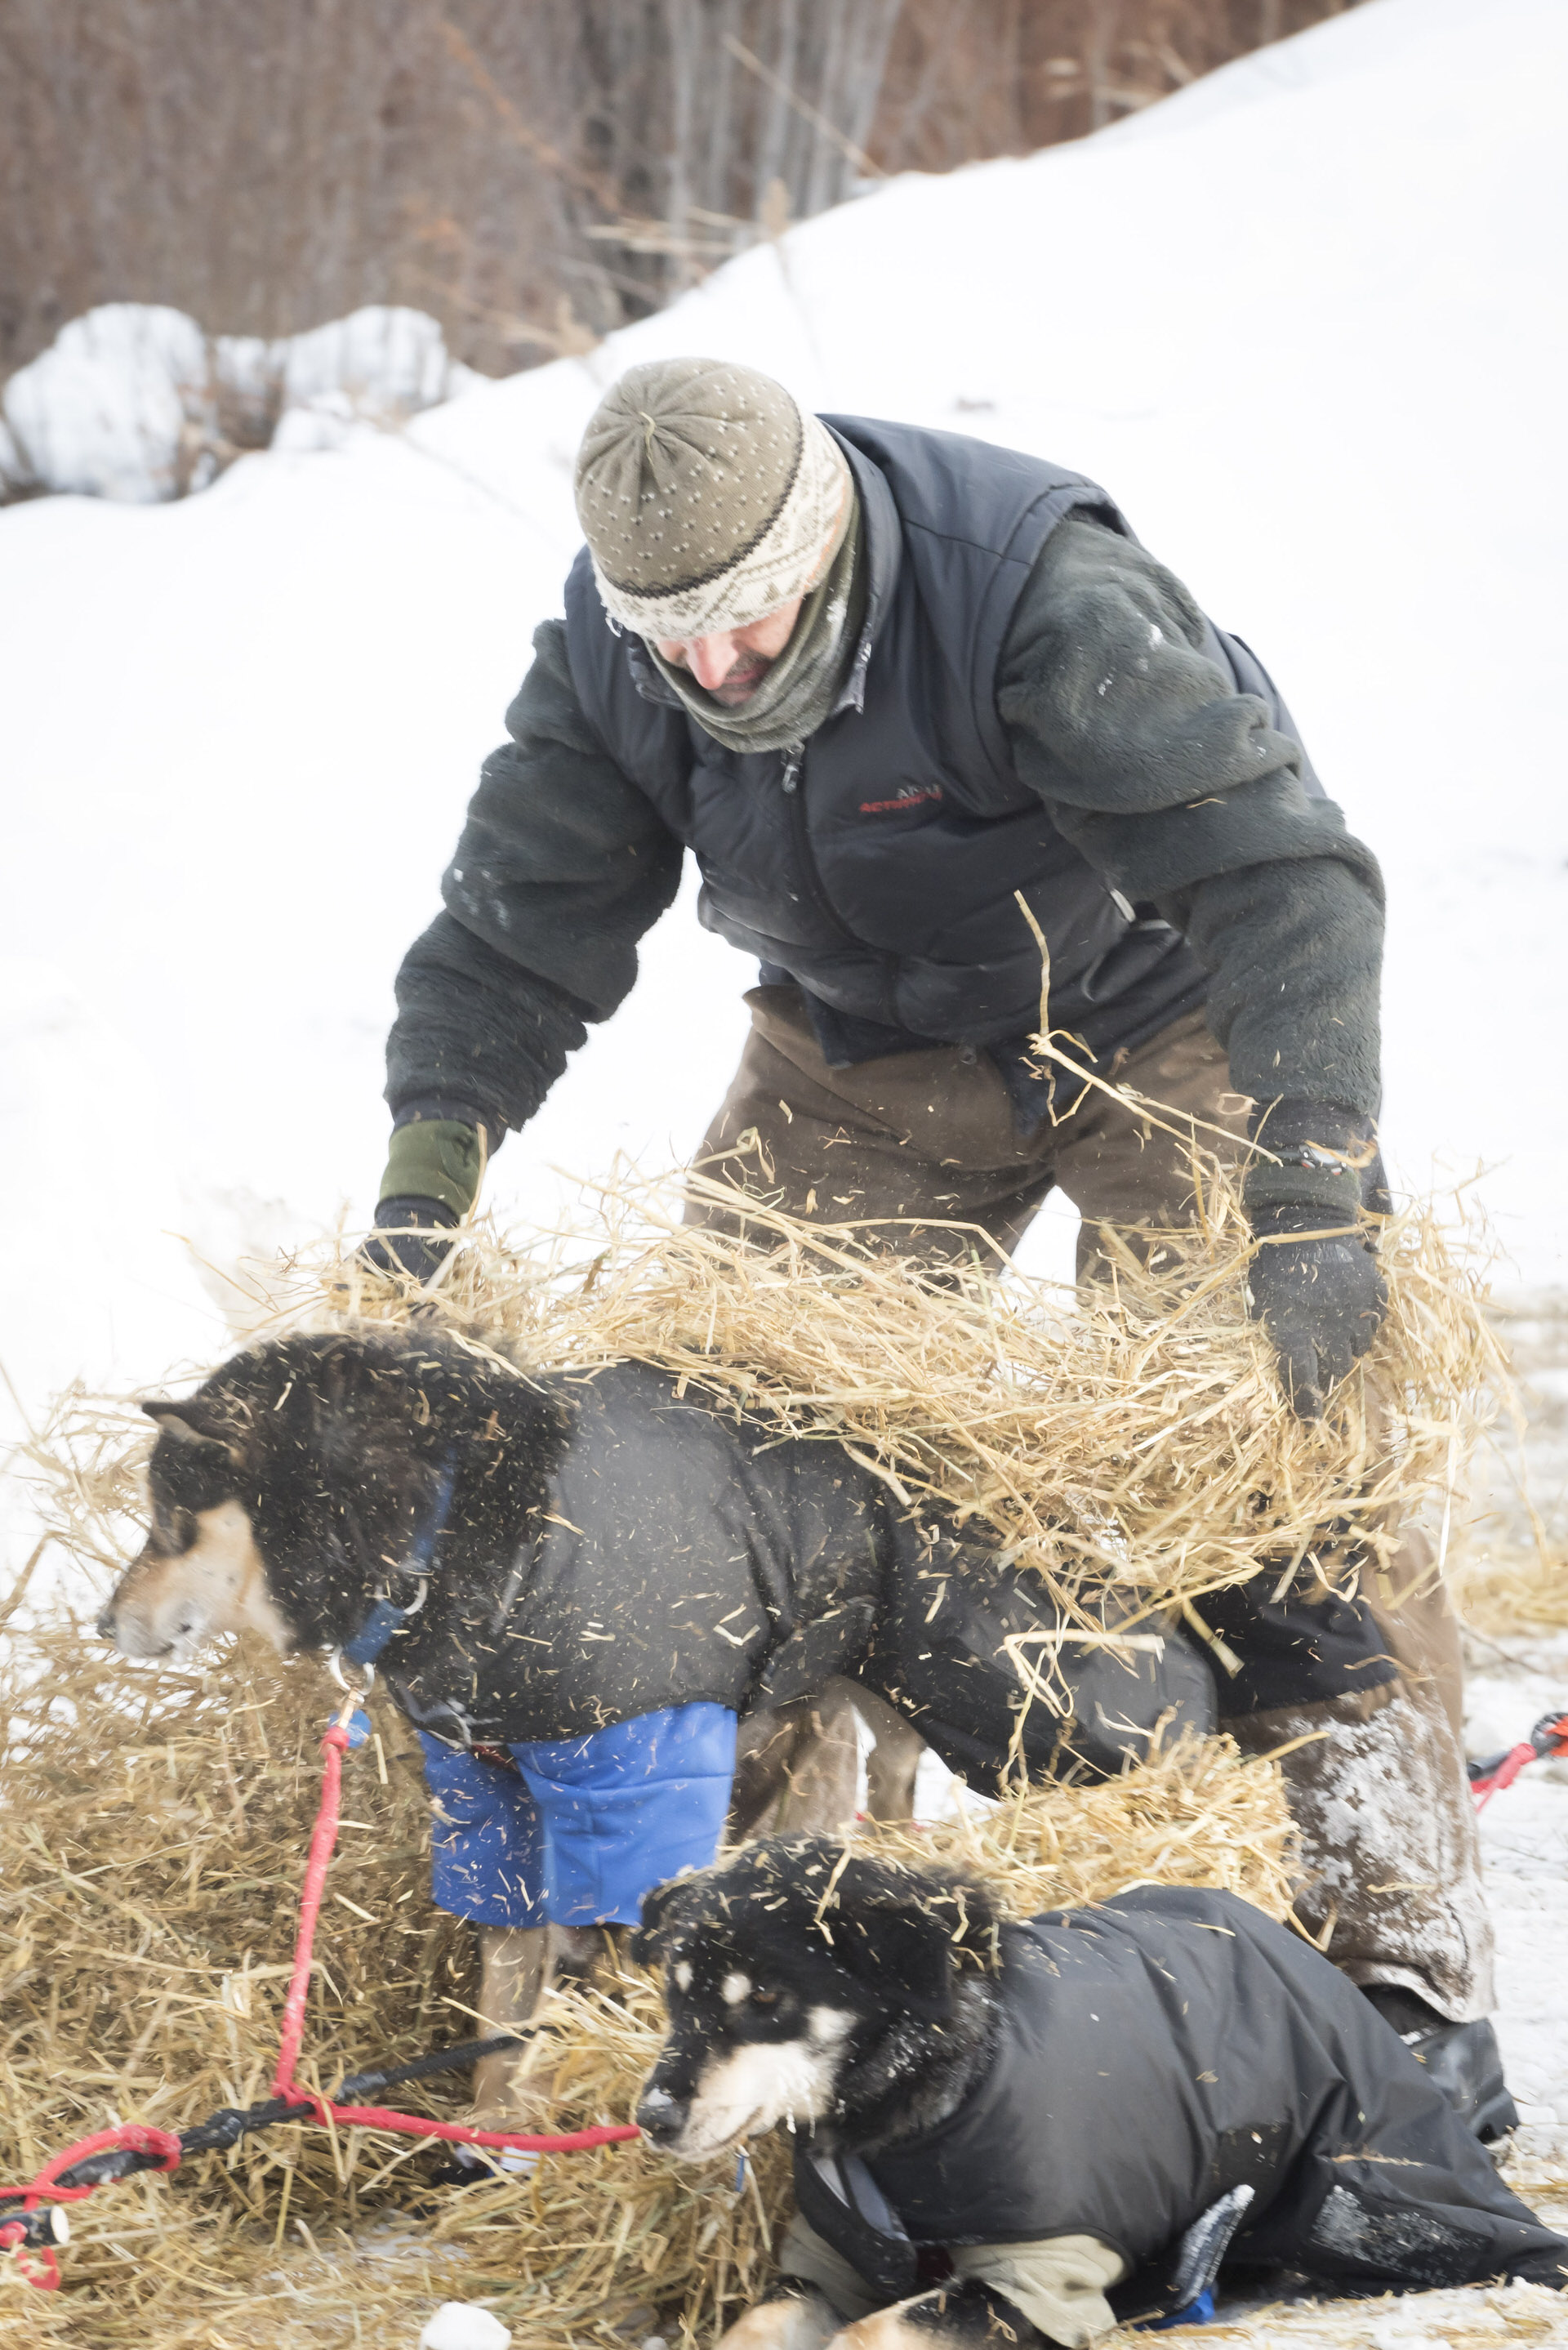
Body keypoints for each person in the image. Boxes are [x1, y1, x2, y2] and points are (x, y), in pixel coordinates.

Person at [370, 358, 1512, 2134]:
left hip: (1155, 1022)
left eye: (747, 619)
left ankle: (1397, 1978)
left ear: (821, 537)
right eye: (674, 634)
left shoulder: (1035, 598)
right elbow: (514, 933)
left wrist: (1311, 1185)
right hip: (863, 1054)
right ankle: (726, 1959)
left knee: (1283, 1458)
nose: (715, 668)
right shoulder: (618, 653)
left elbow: (1279, 876)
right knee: (714, 1462)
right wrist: (420, 1192)